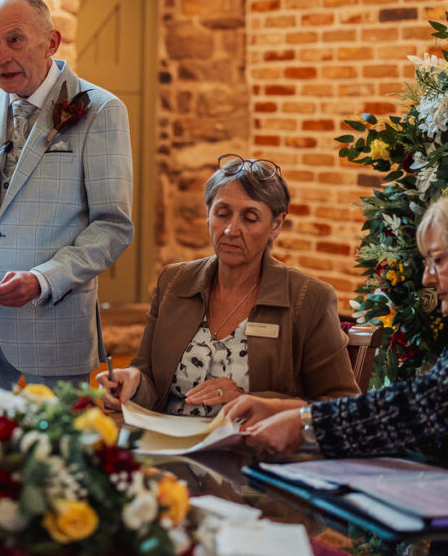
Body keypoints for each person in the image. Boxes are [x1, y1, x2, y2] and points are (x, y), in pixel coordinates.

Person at [232, 184, 448, 529]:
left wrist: (306, 425)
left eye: (438, 260)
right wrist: (293, 411)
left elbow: (427, 405)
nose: (428, 278)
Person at [0, 0, 134, 390]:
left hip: (54, 327)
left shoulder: (100, 110)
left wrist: (43, 279)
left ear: (51, 42)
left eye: (15, 39)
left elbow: (112, 226)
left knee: (59, 451)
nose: (1, 55)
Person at [98, 155, 359, 415]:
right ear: (208, 215)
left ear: (276, 225)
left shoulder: (308, 298)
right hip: (168, 443)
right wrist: (130, 383)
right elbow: (150, 380)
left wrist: (250, 400)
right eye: (222, 214)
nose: (231, 230)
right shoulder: (175, 282)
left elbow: (343, 407)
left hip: (253, 448)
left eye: (250, 218)